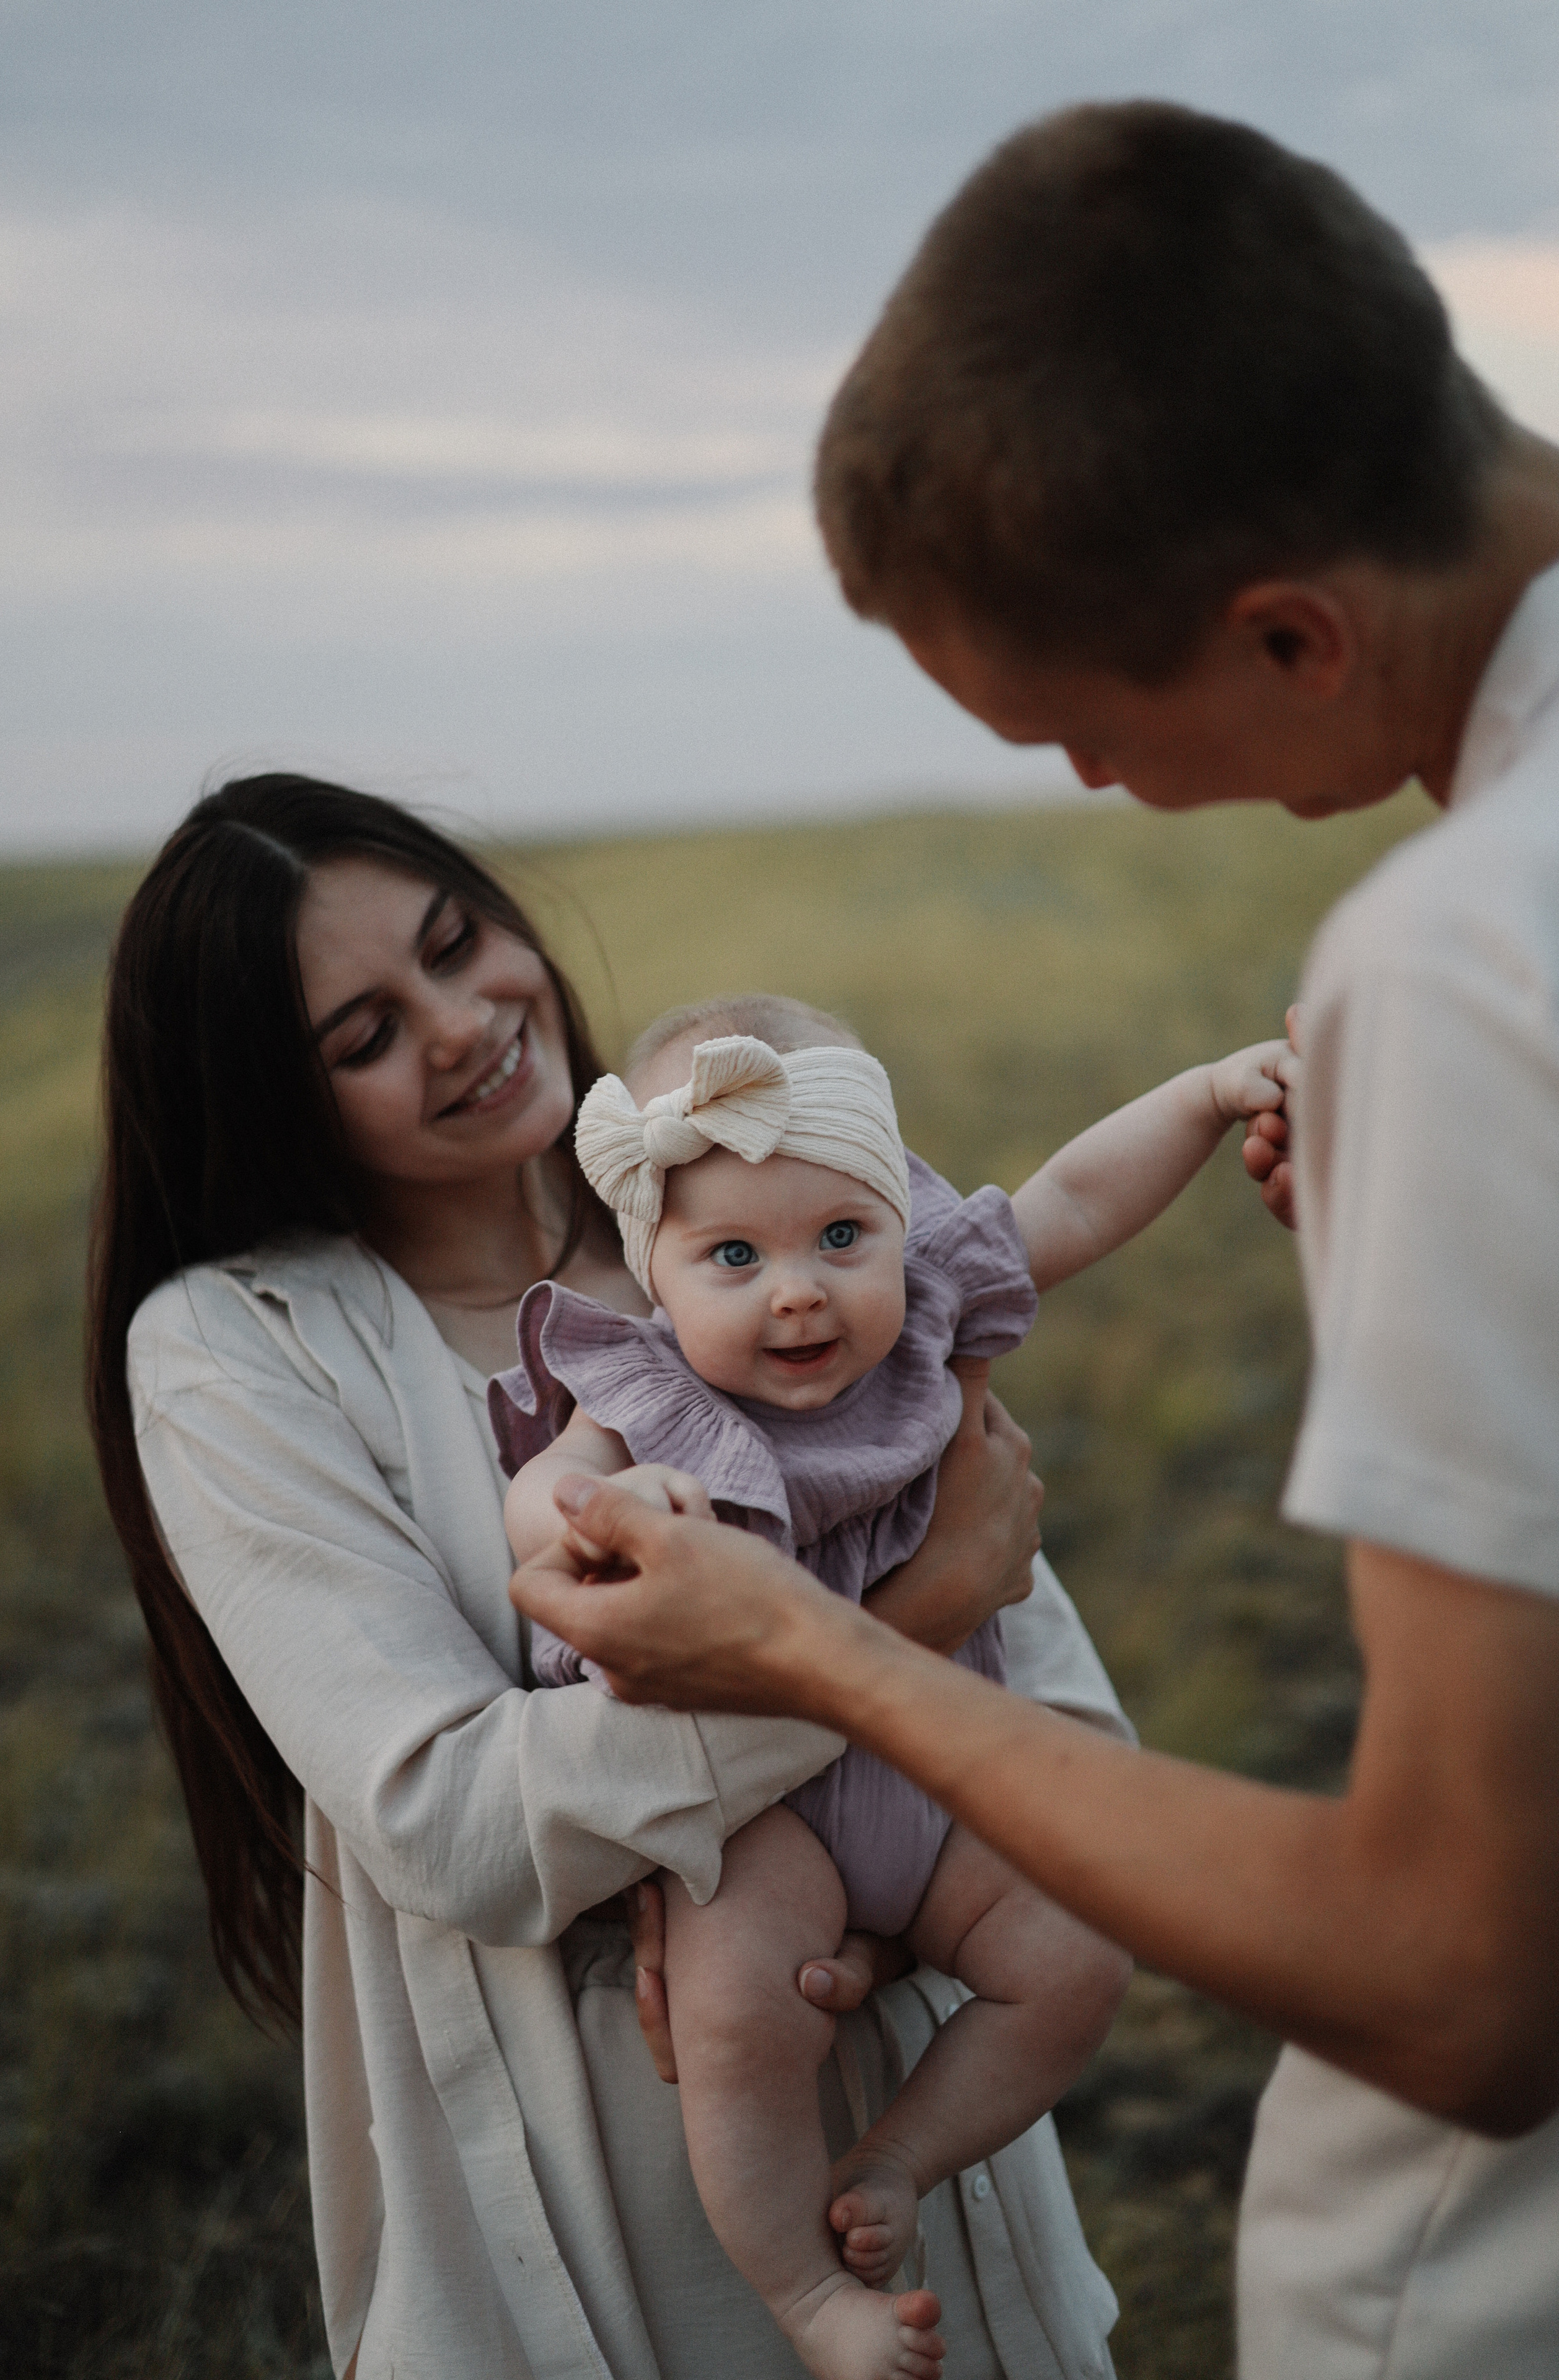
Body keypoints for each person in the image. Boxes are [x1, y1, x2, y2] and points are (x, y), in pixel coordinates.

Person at [508, 102, 1559, 2380]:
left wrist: (825, 1658)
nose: (1092, 790)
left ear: (1289, 631)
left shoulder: (1474, 956)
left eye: (1084, 730)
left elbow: (1468, 1984)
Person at [87, 772, 1139, 2380]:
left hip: (932, 2104)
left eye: (456, 943)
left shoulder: (741, 1229)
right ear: (271, 1099)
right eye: (365, 1036)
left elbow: (1055, 1710)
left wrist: (903, 1914)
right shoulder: (241, 1351)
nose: (462, 1025)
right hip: (600, 2176)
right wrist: (905, 1631)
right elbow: (448, 1817)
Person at [497, 992, 1292, 2380]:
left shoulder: (927, 1317)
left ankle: (898, 2158)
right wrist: (603, 1512)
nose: (798, 1289)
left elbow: (1074, 1200)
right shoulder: (651, 1391)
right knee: (734, 2022)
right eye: (733, 1255)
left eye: (841, 1237)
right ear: (656, 1272)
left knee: (1075, 1949)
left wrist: (1207, 1092)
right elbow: (543, 1486)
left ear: (898, 1222)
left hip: (933, 1768)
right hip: (768, 1819)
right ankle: (811, 2298)